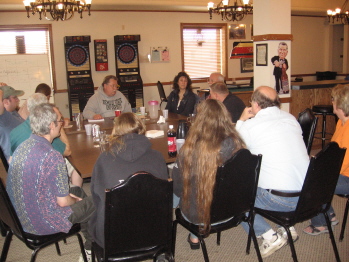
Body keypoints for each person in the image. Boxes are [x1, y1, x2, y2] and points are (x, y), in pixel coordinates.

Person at [6, 103, 95, 262]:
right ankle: (90, 249)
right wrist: (74, 200)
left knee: (79, 192)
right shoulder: (52, 156)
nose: (62, 124)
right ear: (51, 125)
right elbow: (63, 202)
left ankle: (88, 238)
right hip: (41, 223)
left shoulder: (23, 146)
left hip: (19, 220)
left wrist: (75, 197)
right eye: (60, 121)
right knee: (97, 201)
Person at [236, 86, 309, 258]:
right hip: (307, 197)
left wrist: (241, 120)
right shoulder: (291, 119)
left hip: (280, 199)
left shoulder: (250, 126)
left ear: (255, 104)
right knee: (279, 172)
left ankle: (270, 235)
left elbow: (234, 147)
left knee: (236, 197)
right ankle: (287, 227)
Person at [172, 99, 246, 249]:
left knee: (173, 189)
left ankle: (194, 237)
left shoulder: (189, 150)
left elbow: (178, 188)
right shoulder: (238, 144)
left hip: (200, 216)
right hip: (232, 210)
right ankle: (195, 234)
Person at [89, 112, 168, 248]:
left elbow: (97, 198)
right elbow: (163, 195)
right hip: (154, 232)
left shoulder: (104, 159)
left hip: (113, 236)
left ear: (116, 131)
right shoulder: (158, 157)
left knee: (91, 217)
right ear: (141, 129)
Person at [303, 84, 349, 235]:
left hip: (347, 176)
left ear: (340, 103)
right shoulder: (342, 122)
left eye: (333, 99)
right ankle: (329, 215)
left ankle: (322, 222)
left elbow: (343, 163)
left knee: (314, 182)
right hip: (341, 171)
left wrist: (321, 169)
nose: (331, 102)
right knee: (312, 173)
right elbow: (333, 151)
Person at [10, 93, 83, 187]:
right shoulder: (46, 135)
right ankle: (76, 191)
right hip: (43, 184)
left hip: (22, 182)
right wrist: (59, 125)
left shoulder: (14, 132)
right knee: (76, 166)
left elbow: (11, 159)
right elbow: (67, 151)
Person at [0, 85, 25, 160]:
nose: (18, 100)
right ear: (5, 102)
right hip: (15, 162)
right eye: (15, 97)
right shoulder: (3, 118)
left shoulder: (14, 113)